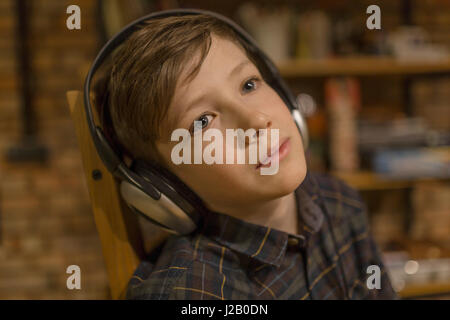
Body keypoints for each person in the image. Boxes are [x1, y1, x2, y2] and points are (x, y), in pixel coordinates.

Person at [103, 13, 397, 299]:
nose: (255, 120)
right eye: (203, 120)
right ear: (164, 185)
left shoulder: (341, 203)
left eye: (248, 85)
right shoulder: (191, 292)